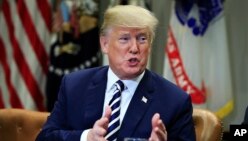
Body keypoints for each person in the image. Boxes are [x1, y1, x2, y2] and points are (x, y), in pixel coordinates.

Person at [36, 5, 195, 141]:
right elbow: (45, 137)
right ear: (105, 44)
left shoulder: (175, 101)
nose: (134, 48)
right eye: (124, 39)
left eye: (142, 39)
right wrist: (87, 137)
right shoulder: (74, 85)